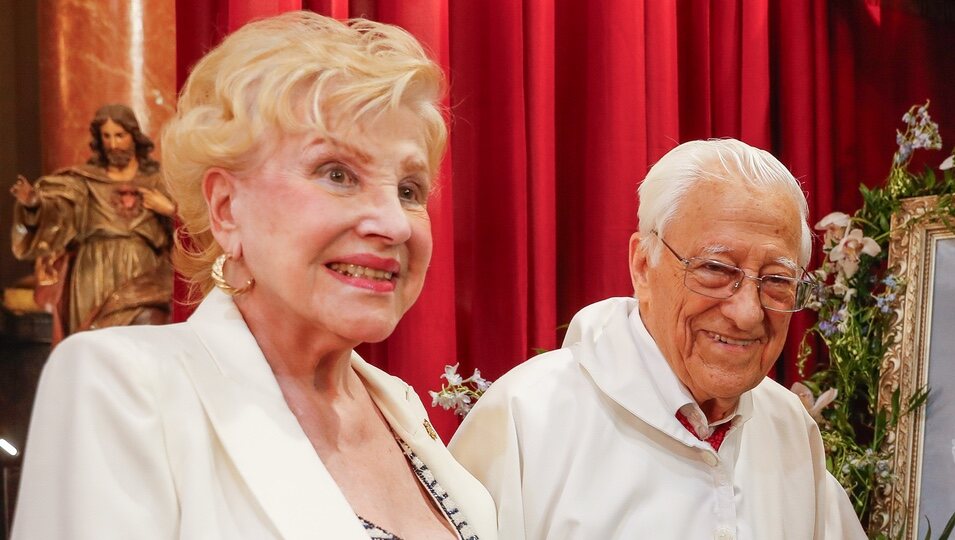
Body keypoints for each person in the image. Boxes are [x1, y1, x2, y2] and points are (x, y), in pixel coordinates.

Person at [12, 12, 496, 540]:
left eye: (408, 189)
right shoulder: (125, 387)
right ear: (226, 208)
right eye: (337, 174)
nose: (394, 223)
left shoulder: (400, 406)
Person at [449, 139, 867, 539]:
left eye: (777, 280)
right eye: (717, 269)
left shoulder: (788, 425)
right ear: (643, 265)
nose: (747, 313)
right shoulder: (528, 417)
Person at [9, 104, 174, 340]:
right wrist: (35, 204)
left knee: (142, 345)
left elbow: (193, 226)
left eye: (120, 135)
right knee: (95, 344)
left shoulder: (158, 180)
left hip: (144, 274)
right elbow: (58, 213)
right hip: (94, 271)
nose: (114, 144)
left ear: (134, 136)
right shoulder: (84, 182)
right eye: (106, 136)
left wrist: (168, 209)